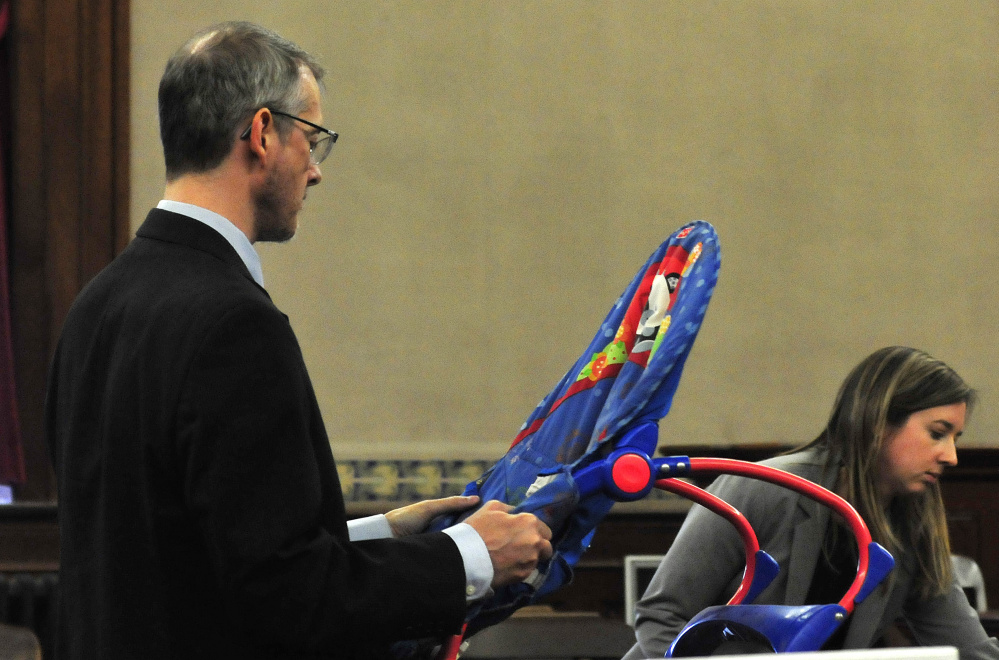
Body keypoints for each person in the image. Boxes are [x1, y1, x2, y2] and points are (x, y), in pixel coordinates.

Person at [44, 21, 552, 660]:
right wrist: (471, 554)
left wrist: (379, 533)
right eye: (311, 139)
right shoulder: (234, 325)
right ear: (260, 134)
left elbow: (184, 553)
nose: (315, 171)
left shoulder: (96, 306)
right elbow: (293, 601)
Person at [623, 346, 999, 659]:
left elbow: (971, 651)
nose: (951, 456)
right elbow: (663, 616)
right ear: (877, 422)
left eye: (955, 438)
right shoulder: (760, 489)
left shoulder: (912, 528)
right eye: (937, 434)